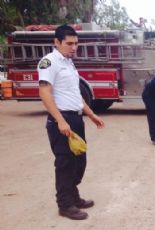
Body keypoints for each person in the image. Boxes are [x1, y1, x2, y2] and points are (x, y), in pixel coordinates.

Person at [38, 25, 105, 220]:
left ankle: (73, 196)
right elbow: (44, 93)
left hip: (75, 118)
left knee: (79, 161)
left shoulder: (68, 63)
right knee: (65, 163)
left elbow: (75, 94)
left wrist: (91, 114)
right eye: (69, 43)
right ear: (56, 42)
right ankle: (65, 205)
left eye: (76, 43)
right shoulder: (49, 62)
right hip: (62, 119)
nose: (74, 47)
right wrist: (60, 121)